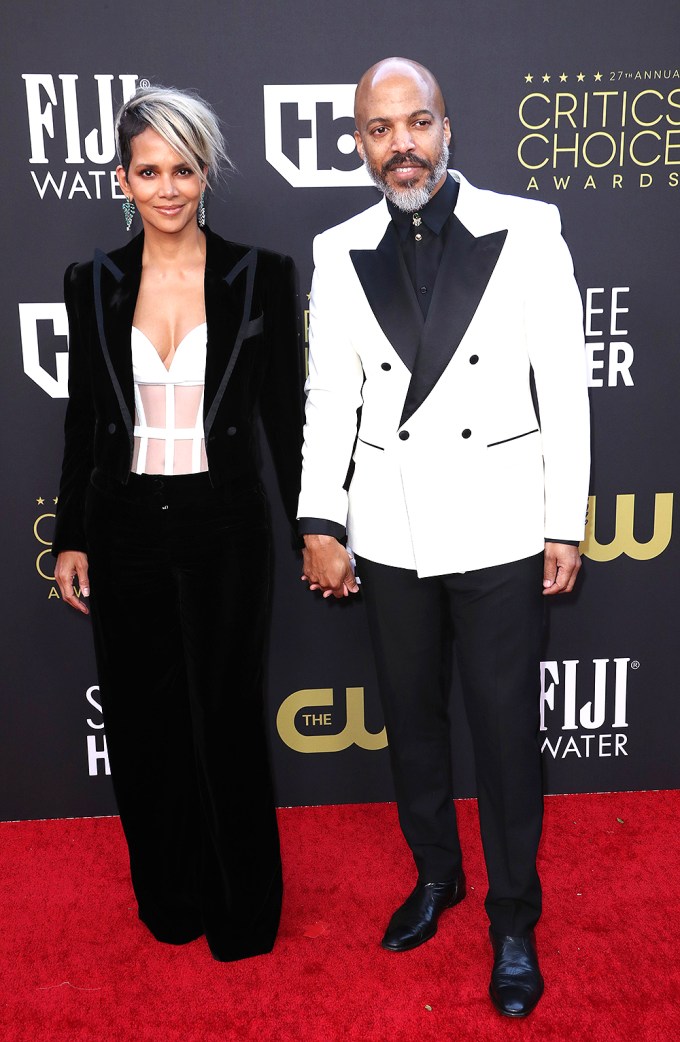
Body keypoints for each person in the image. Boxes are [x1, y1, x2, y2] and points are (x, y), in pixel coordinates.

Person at [297, 57, 590, 1016]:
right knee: (413, 721)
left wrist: (563, 520)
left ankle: (513, 915)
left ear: (447, 125)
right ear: (359, 143)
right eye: (380, 130)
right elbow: (330, 395)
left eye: (416, 123)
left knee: (506, 733)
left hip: (502, 520)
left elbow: (565, 387)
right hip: (392, 526)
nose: (402, 146)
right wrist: (320, 517)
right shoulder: (337, 248)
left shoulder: (528, 228)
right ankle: (437, 875)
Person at [53, 85, 304, 962]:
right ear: (122, 176)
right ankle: (172, 897)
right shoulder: (93, 283)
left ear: (207, 174)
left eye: (184, 170)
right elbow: (86, 418)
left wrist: (315, 523)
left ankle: (245, 912)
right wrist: (72, 536)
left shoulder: (259, 275)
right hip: (124, 526)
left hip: (225, 525)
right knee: (143, 723)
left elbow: (285, 419)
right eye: (148, 170)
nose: (167, 188)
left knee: (226, 721)